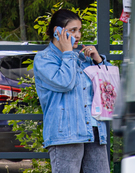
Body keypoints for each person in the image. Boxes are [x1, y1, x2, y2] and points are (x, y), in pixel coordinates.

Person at [33, 9, 111, 173]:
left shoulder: (82, 58)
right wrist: (68, 53)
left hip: (94, 130)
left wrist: (99, 61)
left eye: (79, 30)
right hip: (66, 134)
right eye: (73, 30)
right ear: (57, 31)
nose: (79, 35)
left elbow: (107, 87)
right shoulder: (44, 59)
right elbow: (64, 83)